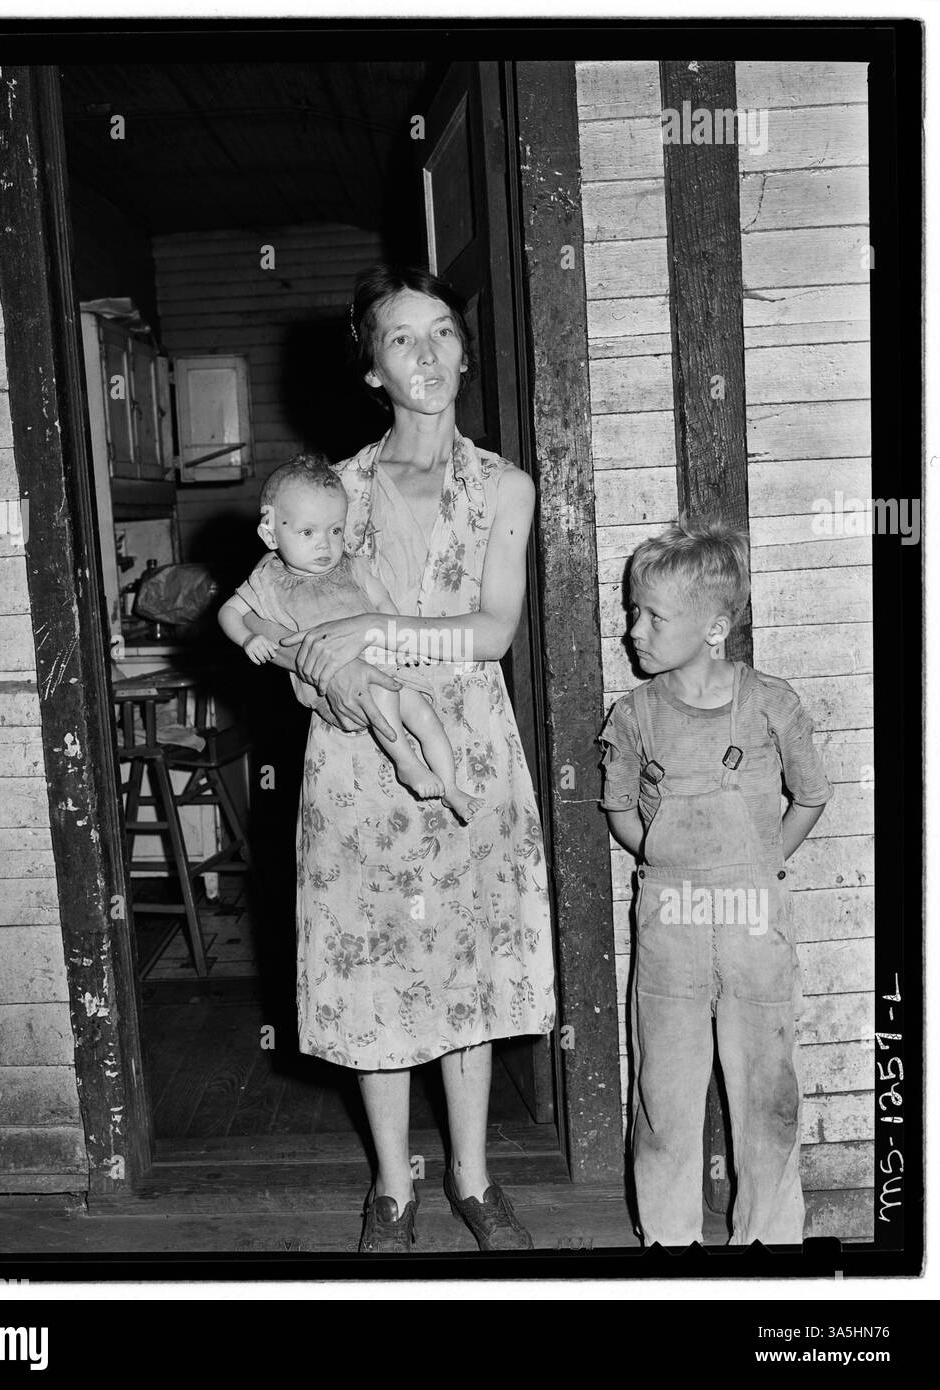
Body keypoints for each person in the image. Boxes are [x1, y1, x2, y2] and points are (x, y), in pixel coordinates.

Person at [218, 264, 556, 1252]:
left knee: (466, 970)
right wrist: (301, 653)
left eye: (441, 331)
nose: (426, 353)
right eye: (400, 338)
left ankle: (473, 1179)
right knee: (374, 971)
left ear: (461, 347)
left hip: (466, 751)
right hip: (359, 757)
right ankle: (393, 1188)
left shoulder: (503, 486)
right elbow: (278, 621)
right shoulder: (333, 490)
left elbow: (490, 633)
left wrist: (371, 626)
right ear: (370, 366)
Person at [598, 518, 833, 1247]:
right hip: (669, 925)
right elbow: (617, 810)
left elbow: (811, 796)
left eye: (651, 616)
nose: (633, 629)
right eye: (631, 610)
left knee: (767, 1096)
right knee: (663, 1100)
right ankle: (668, 1244)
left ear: (714, 627)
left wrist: (760, 863)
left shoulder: (772, 703)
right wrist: (669, 866)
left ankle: (767, 1243)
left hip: (753, 925)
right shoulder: (633, 715)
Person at [221, 452, 483, 823]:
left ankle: (453, 788)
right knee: (381, 697)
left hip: (386, 664)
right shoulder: (268, 580)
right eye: (307, 532)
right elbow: (229, 612)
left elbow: (383, 603)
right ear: (270, 532)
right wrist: (247, 639)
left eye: (336, 530)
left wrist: (401, 641)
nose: (325, 545)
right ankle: (406, 763)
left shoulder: (354, 566)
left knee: (426, 718)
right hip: (339, 681)